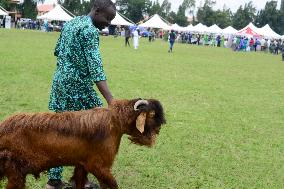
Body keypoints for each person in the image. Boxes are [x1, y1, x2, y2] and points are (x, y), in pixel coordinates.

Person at [47, 0, 116, 189]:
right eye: (107, 18)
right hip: (77, 87)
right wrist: (111, 100)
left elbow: (57, 50)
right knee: (92, 128)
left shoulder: (71, 23)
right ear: (97, 10)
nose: (108, 23)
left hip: (60, 83)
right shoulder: (90, 31)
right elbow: (96, 68)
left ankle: (53, 182)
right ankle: (82, 180)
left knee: (60, 130)